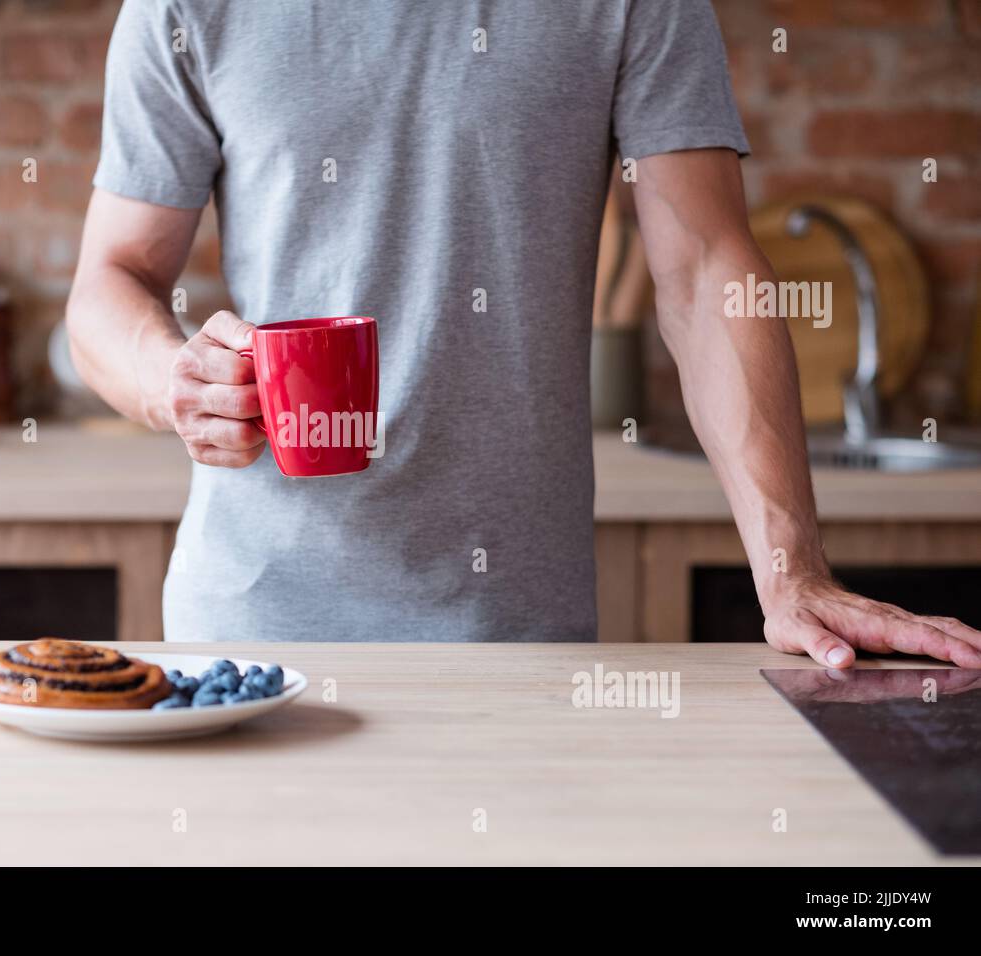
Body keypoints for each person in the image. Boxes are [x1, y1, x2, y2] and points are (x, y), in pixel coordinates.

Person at [67, 0, 981, 666]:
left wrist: (793, 571)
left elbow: (707, 274)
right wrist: (170, 377)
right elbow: (112, 281)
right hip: (249, 639)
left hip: (515, 640)